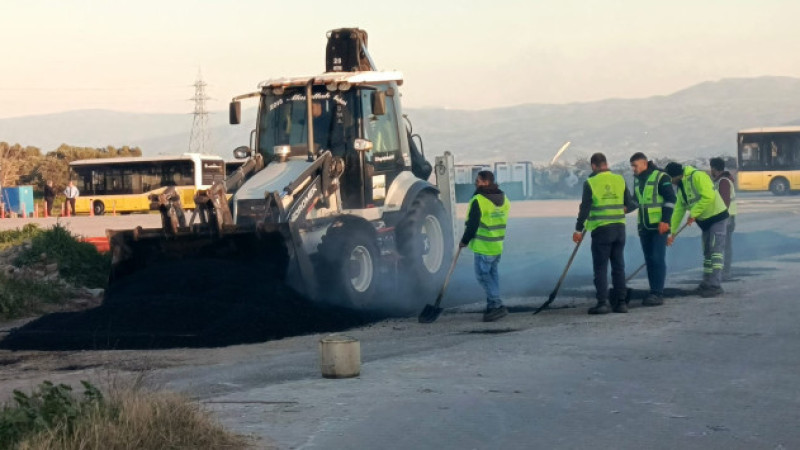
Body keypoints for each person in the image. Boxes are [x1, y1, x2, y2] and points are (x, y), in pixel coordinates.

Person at [574, 153, 637, 314]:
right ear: (606, 164)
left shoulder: (591, 182)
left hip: (602, 230)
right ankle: (621, 303)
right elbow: (631, 204)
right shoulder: (619, 179)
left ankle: (602, 303)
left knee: (601, 268)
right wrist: (620, 210)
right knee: (618, 267)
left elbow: (585, 208)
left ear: (593, 166)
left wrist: (578, 229)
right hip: (619, 229)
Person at [664, 162, 729, 297]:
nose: (671, 183)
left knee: (716, 252)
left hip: (717, 217)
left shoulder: (698, 176)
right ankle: (707, 283)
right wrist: (672, 232)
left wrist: (694, 213)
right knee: (707, 252)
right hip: (704, 221)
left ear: (676, 176)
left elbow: (709, 196)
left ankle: (715, 285)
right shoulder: (681, 187)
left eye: (671, 180)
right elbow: (679, 210)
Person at [460, 170, 511, 322]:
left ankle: (496, 305)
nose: (476, 183)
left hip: (483, 247)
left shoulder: (479, 200)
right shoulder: (504, 198)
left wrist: (464, 241)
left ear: (485, 182)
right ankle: (492, 305)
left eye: (478, 180)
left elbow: (473, 224)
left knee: (483, 277)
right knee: (492, 276)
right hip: (496, 245)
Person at [629, 153, 676, 306]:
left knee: (657, 258)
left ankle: (657, 293)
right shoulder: (637, 179)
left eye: (635, 166)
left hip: (658, 227)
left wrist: (665, 220)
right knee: (649, 260)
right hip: (644, 226)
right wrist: (624, 209)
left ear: (644, 164)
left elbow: (671, 199)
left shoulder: (661, 177)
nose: (633, 169)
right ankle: (653, 291)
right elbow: (636, 200)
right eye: (632, 166)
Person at [710, 157, 736, 280]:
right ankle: (723, 271)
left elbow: (725, 202)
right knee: (724, 245)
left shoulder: (723, 182)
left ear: (715, 168)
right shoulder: (721, 180)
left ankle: (725, 272)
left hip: (726, 217)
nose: (711, 170)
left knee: (723, 245)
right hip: (728, 217)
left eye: (711, 168)